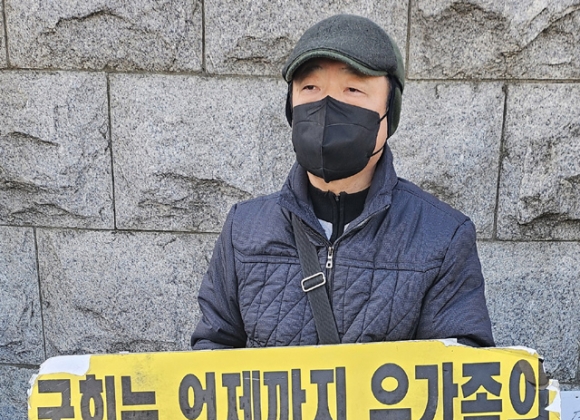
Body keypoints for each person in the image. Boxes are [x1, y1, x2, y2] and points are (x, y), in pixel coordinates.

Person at [191, 13, 494, 351]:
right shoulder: (244, 230)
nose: (327, 106)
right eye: (310, 87)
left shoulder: (442, 236)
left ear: (389, 111)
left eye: (353, 89)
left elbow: (461, 369)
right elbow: (212, 354)